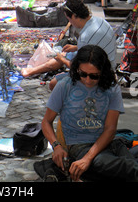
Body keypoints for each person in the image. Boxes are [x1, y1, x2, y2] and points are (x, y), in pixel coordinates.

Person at [40, 45, 138, 182]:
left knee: (129, 169)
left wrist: (87, 159)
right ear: (77, 69)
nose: (87, 80)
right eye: (83, 74)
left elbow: (110, 129)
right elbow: (46, 122)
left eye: (94, 76)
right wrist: (56, 146)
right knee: (128, 168)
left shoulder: (112, 89)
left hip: (109, 142)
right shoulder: (65, 86)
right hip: (79, 146)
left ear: (102, 73)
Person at [21, 0, 116, 80]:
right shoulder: (98, 20)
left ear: (74, 16)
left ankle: (31, 71)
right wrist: (76, 47)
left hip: (100, 74)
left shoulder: (85, 36)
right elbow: (95, 45)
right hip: (108, 64)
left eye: (69, 19)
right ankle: (32, 70)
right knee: (66, 54)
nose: (70, 22)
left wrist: (62, 59)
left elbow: (79, 69)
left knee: (54, 82)